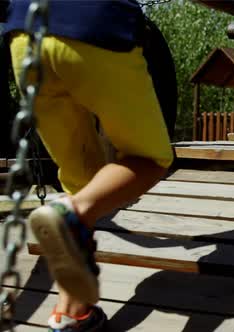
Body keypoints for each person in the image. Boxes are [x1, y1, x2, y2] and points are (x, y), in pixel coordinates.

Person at [4, 1, 174, 331]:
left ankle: (72, 314)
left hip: (23, 36)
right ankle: (73, 210)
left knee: (81, 181)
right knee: (150, 159)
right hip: (94, 24)